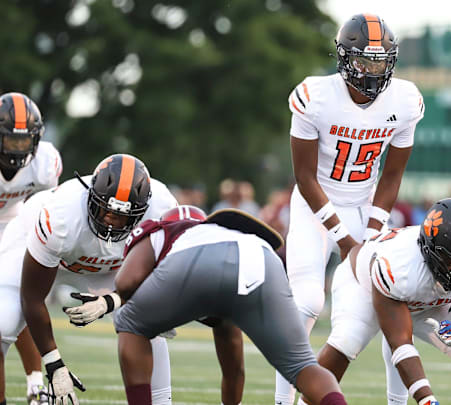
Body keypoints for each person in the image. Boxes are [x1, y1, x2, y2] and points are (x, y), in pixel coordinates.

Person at [276, 12, 425, 405]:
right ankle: (282, 400)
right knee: (307, 300)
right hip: (315, 202)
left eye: (381, 61)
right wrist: (344, 239)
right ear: (345, 58)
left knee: (388, 303)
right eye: (365, 60)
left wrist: (373, 231)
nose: (373, 70)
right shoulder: (315, 96)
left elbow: (391, 177)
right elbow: (305, 178)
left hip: (364, 203)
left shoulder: (405, 101)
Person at [113, 206, 348, 405]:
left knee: (129, 322)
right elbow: (234, 370)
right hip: (262, 258)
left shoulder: (162, 230)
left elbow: (125, 283)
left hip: (193, 260)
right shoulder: (227, 234)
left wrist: (150, 309)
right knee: (303, 366)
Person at [312, 198, 451, 405]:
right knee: (346, 342)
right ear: (430, 249)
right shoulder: (399, 267)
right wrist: (426, 399)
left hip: (431, 300)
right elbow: (401, 344)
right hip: (363, 288)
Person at [18, 154, 177, 404]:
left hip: (119, 265)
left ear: (142, 210)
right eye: (106, 209)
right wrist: (54, 365)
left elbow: (161, 279)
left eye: (122, 216)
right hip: (53, 251)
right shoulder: (62, 216)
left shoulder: (162, 208)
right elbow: (32, 297)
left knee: (146, 318)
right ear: (91, 195)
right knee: (6, 319)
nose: (111, 222)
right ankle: (34, 383)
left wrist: (110, 302)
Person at [0, 92, 62, 405]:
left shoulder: (45, 164)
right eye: (10, 141)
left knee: (21, 298)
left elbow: (47, 208)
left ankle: (36, 383)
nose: (17, 149)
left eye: (23, 142)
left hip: (17, 226)